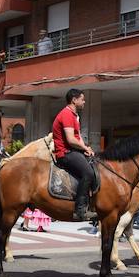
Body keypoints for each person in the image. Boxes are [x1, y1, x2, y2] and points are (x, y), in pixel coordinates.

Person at [53, 89, 97, 221]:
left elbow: (78, 138)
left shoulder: (74, 115)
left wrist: (86, 149)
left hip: (73, 151)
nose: (84, 102)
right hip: (65, 153)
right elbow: (71, 139)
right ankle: (80, 210)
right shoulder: (66, 114)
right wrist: (83, 147)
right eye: (82, 99)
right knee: (88, 173)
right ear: (74, 100)